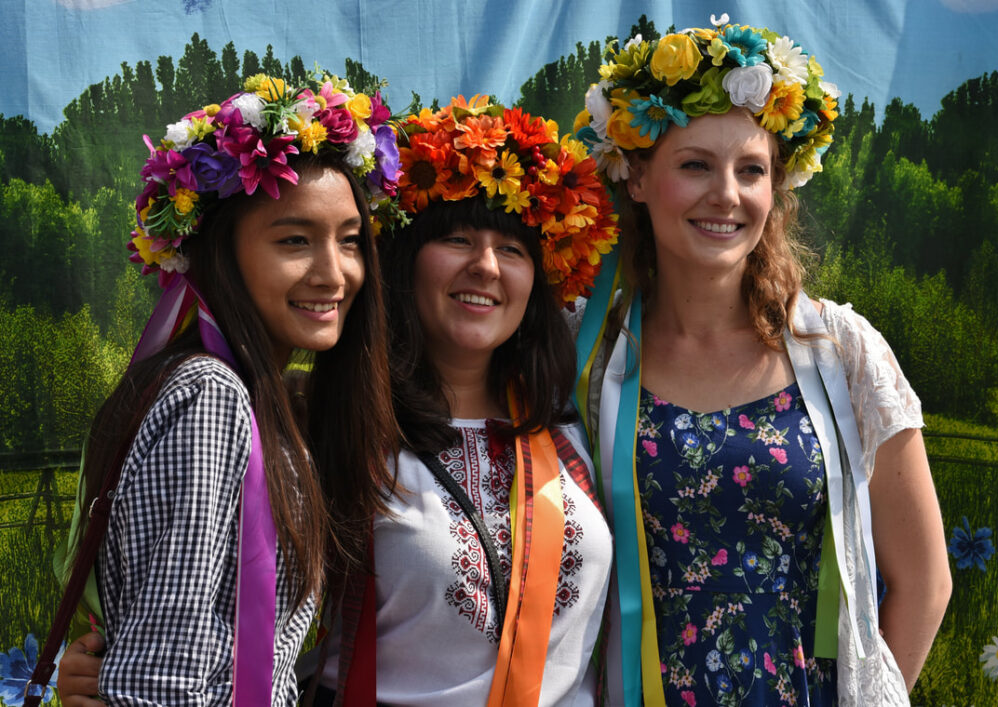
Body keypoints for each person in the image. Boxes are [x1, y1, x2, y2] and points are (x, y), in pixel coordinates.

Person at [572, 15, 951, 706]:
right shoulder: (587, 352)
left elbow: (925, 580)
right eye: (695, 165)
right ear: (636, 176)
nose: (727, 194)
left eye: (751, 169)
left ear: (776, 187)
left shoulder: (843, 351)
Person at [52, 71, 401, 706]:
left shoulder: (262, 399)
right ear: (222, 252)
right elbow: (163, 683)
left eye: (349, 242)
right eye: (294, 240)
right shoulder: (209, 397)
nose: (334, 273)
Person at [293, 96, 617, 706]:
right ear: (403, 262)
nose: (486, 266)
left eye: (513, 250)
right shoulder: (333, 425)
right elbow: (231, 599)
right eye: (458, 239)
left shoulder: (575, 424)